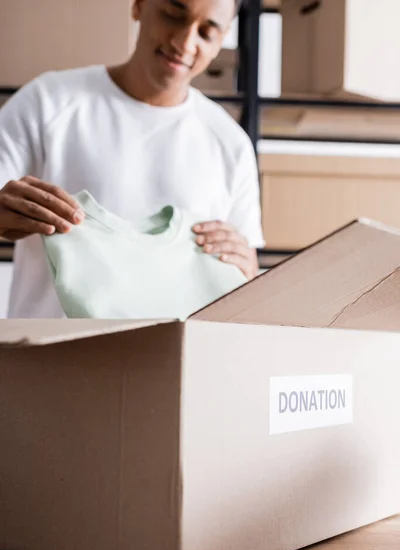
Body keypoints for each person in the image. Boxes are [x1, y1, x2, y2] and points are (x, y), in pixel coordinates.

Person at [0, 0, 264, 318]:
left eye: (207, 32)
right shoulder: (47, 102)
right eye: (173, 15)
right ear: (139, 5)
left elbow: (247, 283)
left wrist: (247, 270)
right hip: (46, 360)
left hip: (175, 362)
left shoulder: (230, 143)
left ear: (223, 38)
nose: (184, 43)